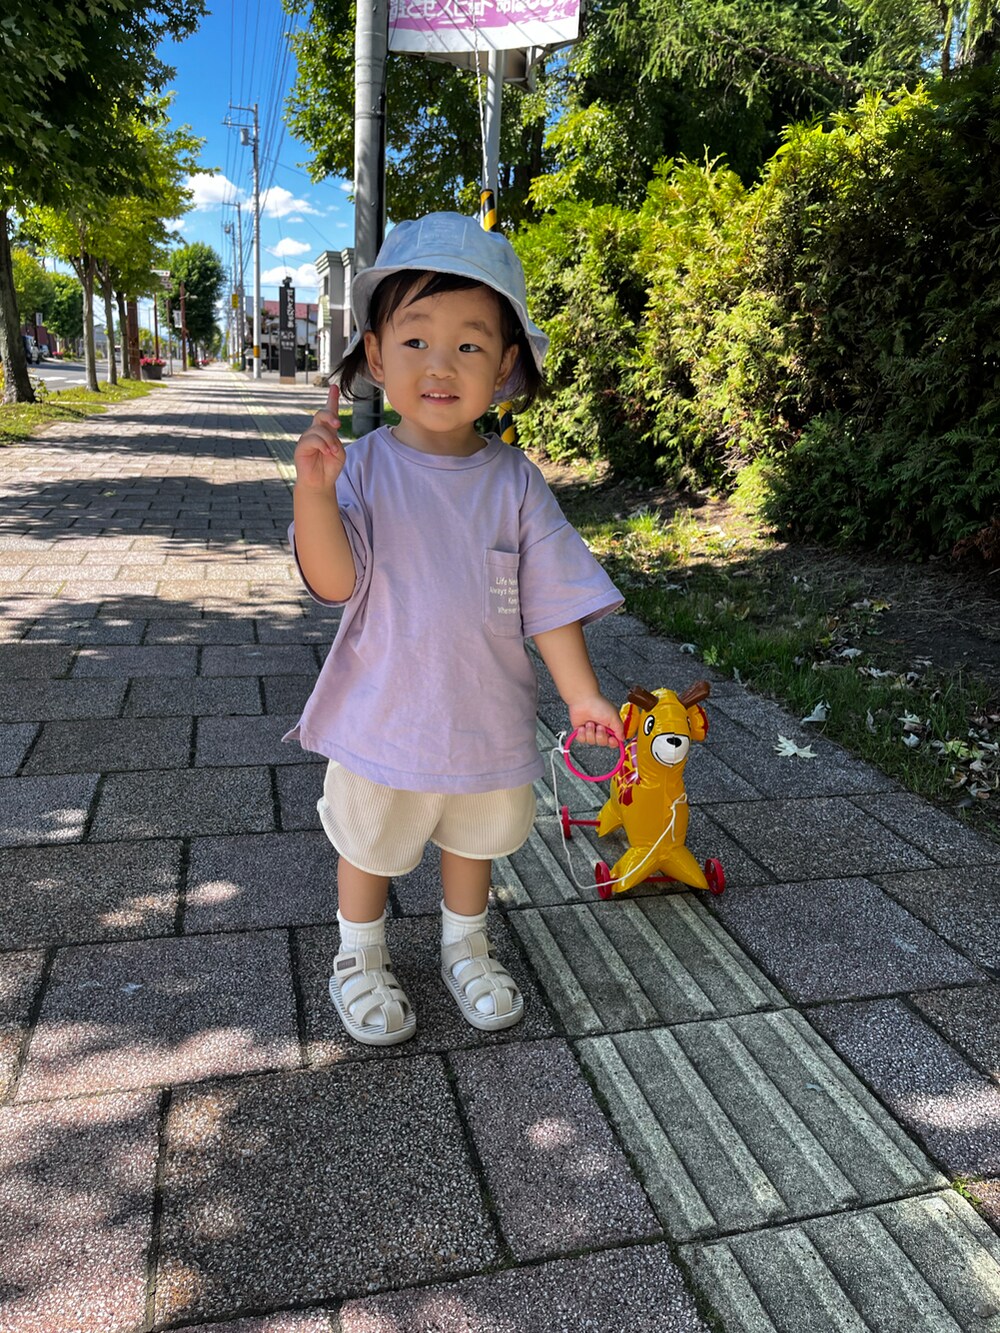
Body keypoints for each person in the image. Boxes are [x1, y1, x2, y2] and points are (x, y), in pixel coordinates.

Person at [286, 212, 624, 1046]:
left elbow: (550, 594)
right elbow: (333, 582)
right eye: (415, 342)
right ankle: (359, 955)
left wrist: (581, 693)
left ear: (506, 365)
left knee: (476, 835)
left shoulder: (514, 481)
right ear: (374, 356)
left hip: (484, 713)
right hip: (382, 714)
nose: (441, 364)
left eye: (471, 345)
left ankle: (463, 944)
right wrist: (315, 495)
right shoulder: (361, 468)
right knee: (371, 840)